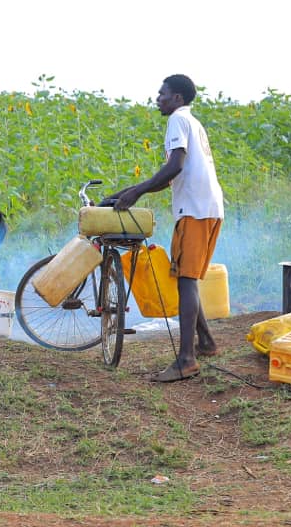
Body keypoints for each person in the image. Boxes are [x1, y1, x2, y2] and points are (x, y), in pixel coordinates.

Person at [106, 74, 224, 383]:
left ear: (177, 98)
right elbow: (170, 177)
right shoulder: (191, 122)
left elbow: (174, 167)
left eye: (163, 94)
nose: (158, 98)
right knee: (188, 276)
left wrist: (137, 192)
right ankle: (207, 342)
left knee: (186, 279)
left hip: (195, 210)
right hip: (209, 207)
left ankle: (186, 359)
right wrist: (127, 191)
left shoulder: (176, 121)